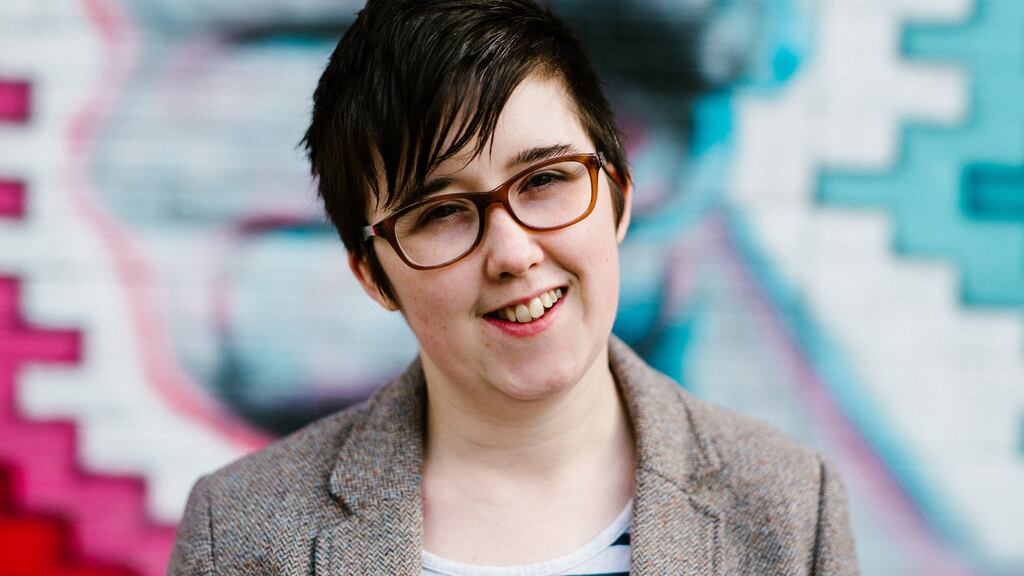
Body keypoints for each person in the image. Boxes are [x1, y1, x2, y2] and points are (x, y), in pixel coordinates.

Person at [168, 0, 859, 574]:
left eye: (546, 180)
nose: (513, 253)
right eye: (441, 213)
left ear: (618, 196)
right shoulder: (241, 533)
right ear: (373, 275)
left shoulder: (790, 509)